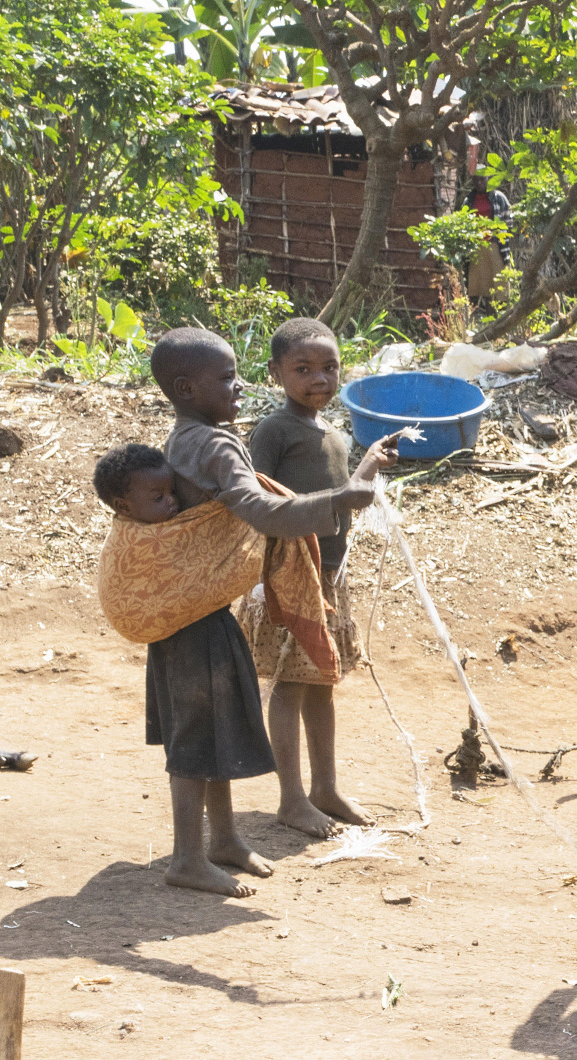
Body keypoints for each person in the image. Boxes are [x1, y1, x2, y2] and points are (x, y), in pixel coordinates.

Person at [148, 327, 396, 897]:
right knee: (197, 730)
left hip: (197, 599)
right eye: (226, 380)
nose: (238, 389)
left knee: (212, 721)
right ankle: (189, 855)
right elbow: (260, 508)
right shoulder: (216, 444)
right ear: (186, 388)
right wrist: (335, 503)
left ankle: (223, 839)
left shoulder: (196, 436)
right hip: (198, 606)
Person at [241, 318, 373, 838]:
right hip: (290, 573)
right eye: (303, 369)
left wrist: (371, 469)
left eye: (329, 368)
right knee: (291, 685)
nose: (319, 379)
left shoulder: (333, 434)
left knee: (322, 682)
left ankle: (325, 787)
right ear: (275, 373)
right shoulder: (275, 431)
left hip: (329, 576)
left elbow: (339, 500)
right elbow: (258, 498)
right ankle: (292, 798)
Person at [92, 444, 179, 524]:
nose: (172, 500)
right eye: (158, 497)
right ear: (124, 507)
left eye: (173, 491)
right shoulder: (132, 540)